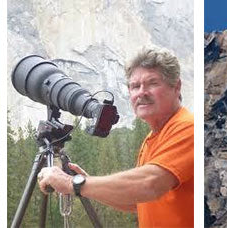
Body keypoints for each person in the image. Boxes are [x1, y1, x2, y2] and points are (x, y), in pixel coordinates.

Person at [37, 48, 193, 227]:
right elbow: (136, 201)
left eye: (152, 83)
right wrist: (86, 186)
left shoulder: (187, 127)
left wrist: (72, 183)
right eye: (135, 86)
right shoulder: (153, 137)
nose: (142, 92)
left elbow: (150, 183)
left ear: (176, 86)